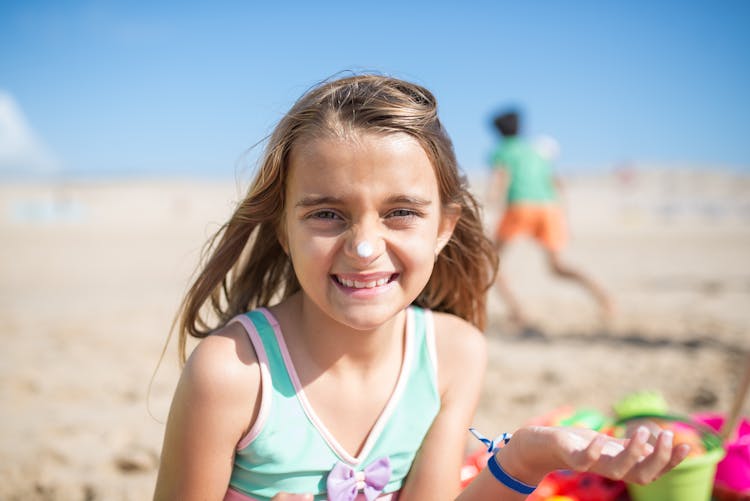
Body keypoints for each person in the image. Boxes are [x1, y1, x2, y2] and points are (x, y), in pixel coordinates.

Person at [153, 75, 689, 501]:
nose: (364, 247)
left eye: (402, 212)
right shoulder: (232, 375)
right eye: (326, 214)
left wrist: (527, 458)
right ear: (283, 230)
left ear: (444, 228)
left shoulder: (453, 353)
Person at [487, 110, 613, 326]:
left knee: (492, 262)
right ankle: (603, 297)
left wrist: (491, 205)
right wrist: (564, 218)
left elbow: (501, 179)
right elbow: (557, 183)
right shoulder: (536, 151)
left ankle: (518, 312)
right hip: (550, 208)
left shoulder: (502, 150)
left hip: (520, 206)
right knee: (557, 267)